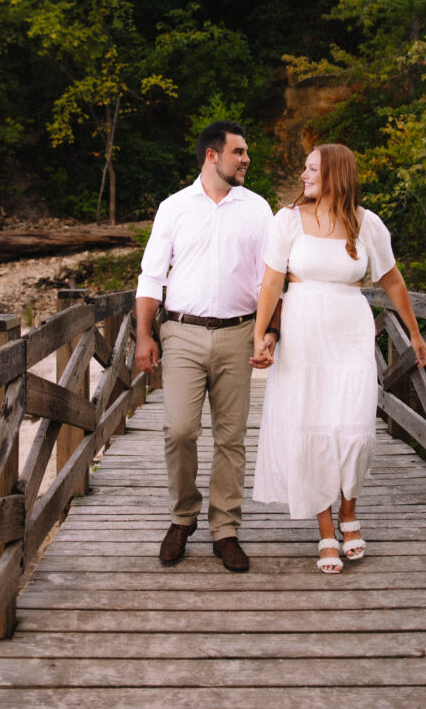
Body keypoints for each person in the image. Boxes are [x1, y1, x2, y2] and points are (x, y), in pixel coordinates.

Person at [250, 144, 426, 573]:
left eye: (312, 168)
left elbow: (393, 280)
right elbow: (272, 282)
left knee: (355, 428)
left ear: (334, 175)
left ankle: (350, 512)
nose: (304, 174)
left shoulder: (367, 224)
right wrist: (261, 335)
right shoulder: (287, 221)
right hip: (304, 338)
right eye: (305, 167)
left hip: (350, 335)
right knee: (311, 428)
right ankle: (326, 528)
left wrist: (415, 332)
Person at [135, 121, 275, 572]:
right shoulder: (174, 208)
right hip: (181, 332)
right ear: (212, 156)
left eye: (246, 152)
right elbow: (152, 276)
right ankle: (182, 518)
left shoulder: (257, 209)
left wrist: (269, 331)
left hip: (239, 332)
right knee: (179, 430)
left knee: (231, 437)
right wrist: (143, 334)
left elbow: (267, 280)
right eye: (239, 152)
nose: (246, 159)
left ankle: (226, 528)